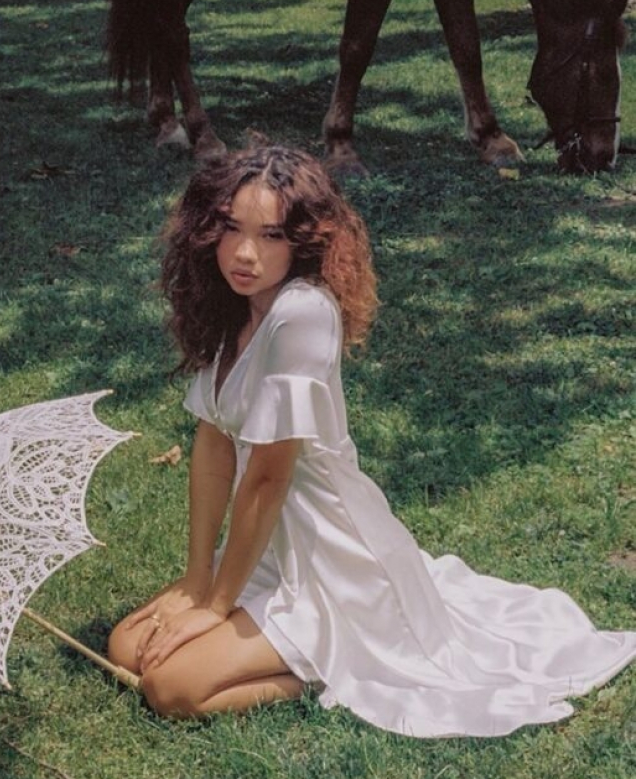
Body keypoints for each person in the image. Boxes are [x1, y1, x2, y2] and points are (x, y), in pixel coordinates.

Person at [108, 145, 635, 737]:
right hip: (263, 545)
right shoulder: (234, 308)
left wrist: (214, 607)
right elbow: (213, 446)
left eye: (271, 235)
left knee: (170, 686)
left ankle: (343, 663)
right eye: (232, 228)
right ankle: (270, 636)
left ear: (303, 242)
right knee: (128, 647)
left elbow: (268, 478)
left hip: (328, 558)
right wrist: (196, 579)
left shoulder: (301, 313)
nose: (245, 253)